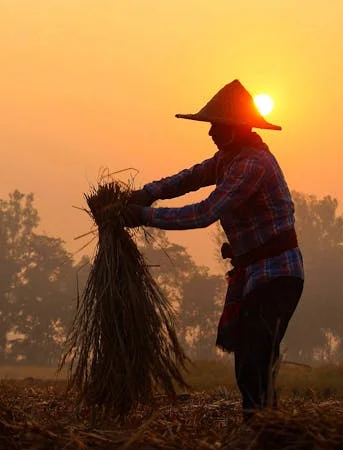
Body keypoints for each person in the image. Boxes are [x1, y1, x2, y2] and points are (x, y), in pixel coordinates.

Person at [122, 79, 304, 422]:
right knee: (251, 359)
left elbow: (205, 212)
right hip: (254, 272)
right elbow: (189, 178)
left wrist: (144, 216)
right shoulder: (227, 159)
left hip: (277, 273)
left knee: (255, 359)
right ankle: (265, 426)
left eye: (216, 126)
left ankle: (264, 429)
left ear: (236, 128)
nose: (210, 133)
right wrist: (148, 193)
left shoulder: (252, 165)